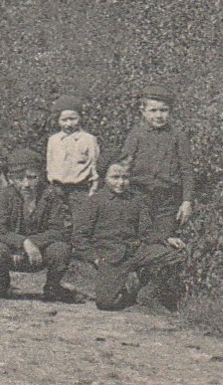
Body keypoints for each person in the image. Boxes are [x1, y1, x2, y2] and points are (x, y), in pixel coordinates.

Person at [74, 160, 187, 311]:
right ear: (104, 179)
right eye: (115, 177)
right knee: (107, 304)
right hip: (111, 257)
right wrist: (95, 258)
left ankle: (148, 292)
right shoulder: (95, 201)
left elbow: (147, 232)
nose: (121, 183)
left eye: (125, 177)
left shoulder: (136, 200)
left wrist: (166, 239)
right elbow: (80, 237)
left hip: (136, 251)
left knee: (176, 255)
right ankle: (124, 290)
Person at [0, 148, 75, 301]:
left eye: (32, 177)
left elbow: (59, 230)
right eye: (19, 178)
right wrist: (23, 243)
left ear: (41, 176)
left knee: (61, 249)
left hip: (41, 253)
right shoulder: (7, 194)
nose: (25, 184)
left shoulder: (51, 195)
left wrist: (34, 244)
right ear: (10, 178)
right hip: (12, 253)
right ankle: (2, 282)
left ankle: (52, 286)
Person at [118, 85, 195, 242]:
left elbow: (186, 170)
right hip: (140, 195)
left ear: (170, 112)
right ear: (143, 111)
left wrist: (186, 201)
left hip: (167, 199)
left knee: (164, 238)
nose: (159, 115)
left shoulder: (178, 137)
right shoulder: (136, 135)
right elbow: (125, 165)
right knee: (140, 238)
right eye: (153, 111)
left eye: (164, 110)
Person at [47, 96, 100, 238]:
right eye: (64, 120)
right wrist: (51, 183)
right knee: (59, 220)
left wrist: (94, 186)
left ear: (80, 118)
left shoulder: (88, 139)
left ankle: (79, 250)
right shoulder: (53, 140)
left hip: (79, 188)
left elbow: (94, 163)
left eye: (73, 119)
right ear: (58, 120)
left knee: (80, 222)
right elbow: (50, 164)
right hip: (58, 188)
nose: (69, 124)